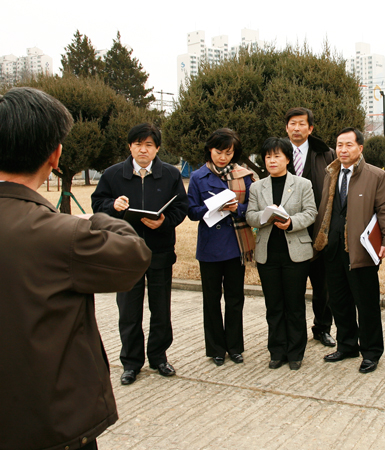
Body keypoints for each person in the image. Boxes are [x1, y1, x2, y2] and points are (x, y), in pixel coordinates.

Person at [0, 87, 152, 450]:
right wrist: (97, 219)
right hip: (51, 423)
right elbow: (134, 254)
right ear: (56, 155)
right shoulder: (63, 235)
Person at [92, 123, 188, 386]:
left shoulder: (169, 174)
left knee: (161, 310)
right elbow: (97, 204)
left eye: (148, 145)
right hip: (124, 254)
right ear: (130, 147)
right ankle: (131, 363)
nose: (143, 149)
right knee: (129, 312)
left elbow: (181, 206)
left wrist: (165, 220)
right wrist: (113, 205)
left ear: (157, 148)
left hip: (159, 252)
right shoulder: (113, 175)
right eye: (137, 144)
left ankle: (158, 357)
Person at [313, 128, 385, 374]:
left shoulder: (377, 176)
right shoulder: (332, 173)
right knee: (338, 302)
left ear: (360, 148)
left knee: (366, 303)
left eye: (349, 145)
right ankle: (347, 344)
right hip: (334, 247)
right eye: (339, 145)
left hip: (361, 249)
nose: (343, 150)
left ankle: (371, 352)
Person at [247, 137, 317, 370]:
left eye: (277, 156)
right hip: (268, 254)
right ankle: (277, 351)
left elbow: (310, 213)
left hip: (295, 254)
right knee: (274, 306)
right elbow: (250, 216)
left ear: (287, 158)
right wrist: (265, 217)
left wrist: (291, 222)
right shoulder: (257, 186)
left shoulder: (302, 184)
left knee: (295, 305)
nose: (272, 160)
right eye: (268, 156)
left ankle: (296, 353)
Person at [187, 128, 255, 366]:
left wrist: (239, 209)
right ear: (209, 150)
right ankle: (216, 348)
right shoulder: (197, 177)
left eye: (228, 152)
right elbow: (192, 212)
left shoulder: (244, 175)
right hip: (209, 248)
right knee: (212, 299)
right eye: (218, 151)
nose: (223, 157)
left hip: (236, 246)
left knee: (235, 299)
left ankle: (235, 347)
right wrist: (212, 208)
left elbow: (253, 208)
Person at [285, 107, 337, 347]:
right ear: (287, 128)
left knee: (322, 285)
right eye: (292, 124)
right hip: (288, 230)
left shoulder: (326, 154)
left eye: (302, 124)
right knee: (292, 285)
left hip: (318, 230)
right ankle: (292, 330)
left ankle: (323, 328)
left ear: (311, 128)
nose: (297, 128)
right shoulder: (279, 153)